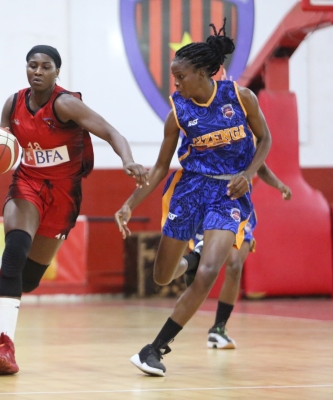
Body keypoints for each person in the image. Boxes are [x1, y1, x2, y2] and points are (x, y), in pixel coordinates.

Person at [114, 21, 271, 377]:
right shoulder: (177, 114)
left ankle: (155, 349)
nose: (176, 85)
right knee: (162, 275)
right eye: (175, 79)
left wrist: (248, 175)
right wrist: (129, 204)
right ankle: (192, 258)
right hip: (190, 189)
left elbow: (265, 140)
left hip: (227, 192)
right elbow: (157, 169)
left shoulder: (241, 98)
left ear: (202, 73)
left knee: (212, 270)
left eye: (181, 77)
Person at [0, 45, 148, 376]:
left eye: (45, 66)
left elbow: (113, 132)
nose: (38, 71)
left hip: (63, 196)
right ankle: (4, 346)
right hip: (26, 185)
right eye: (32, 66)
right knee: (13, 253)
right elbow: (5, 143)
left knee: (28, 281)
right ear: (26, 69)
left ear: (57, 72)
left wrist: (127, 160)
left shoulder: (66, 104)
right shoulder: (13, 103)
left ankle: (18, 292)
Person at [177, 162, 291, 349]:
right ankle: (191, 266)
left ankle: (219, 328)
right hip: (209, 203)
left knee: (235, 264)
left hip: (239, 208)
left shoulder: (249, 136)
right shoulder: (203, 134)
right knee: (204, 267)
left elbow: (259, 166)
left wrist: (279, 185)